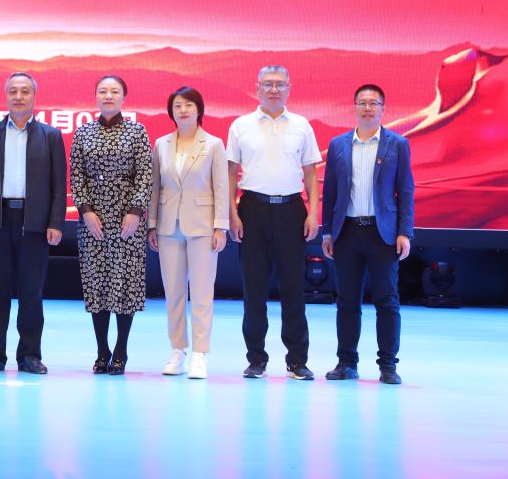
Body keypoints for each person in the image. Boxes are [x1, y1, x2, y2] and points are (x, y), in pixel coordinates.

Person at [227, 65, 321, 380]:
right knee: (254, 290)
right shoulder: (241, 126)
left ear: (289, 88)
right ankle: (256, 359)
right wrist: (232, 214)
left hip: (291, 211)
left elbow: (311, 173)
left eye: (280, 84)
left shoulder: (301, 125)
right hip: (251, 209)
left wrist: (313, 213)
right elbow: (230, 174)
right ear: (257, 88)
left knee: (293, 288)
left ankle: (297, 361)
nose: (274, 90)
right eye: (268, 84)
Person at [0, 72, 67, 375]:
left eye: (25, 91)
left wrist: (55, 222)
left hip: (34, 223)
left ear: (34, 96)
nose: (18, 96)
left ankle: (29, 355)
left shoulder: (50, 135)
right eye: (13, 91)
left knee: (31, 293)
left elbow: (58, 184)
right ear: (6, 96)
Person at [322, 84, 414, 385]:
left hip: (382, 234)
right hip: (347, 232)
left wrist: (405, 232)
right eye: (362, 102)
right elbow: (330, 192)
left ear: (383, 110)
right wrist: (327, 233)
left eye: (374, 103)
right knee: (347, 300)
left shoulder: (397, 144)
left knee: (387, 300)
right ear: (353, 108)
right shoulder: (338, 145)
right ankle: (346, 363)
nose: (367, 108)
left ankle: (388, 365)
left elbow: (406, 190)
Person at [70, 75, 151, 375]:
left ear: (123, 97)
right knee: (98, 283)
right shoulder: (83, 132)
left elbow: (145, 174)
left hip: (128, 218)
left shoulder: (137, 131)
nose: (108, 96)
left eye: (114, 91)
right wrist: (86, 211)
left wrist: (135, 211)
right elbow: (76, 174)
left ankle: (121, 350)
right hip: (93, 219)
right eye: (102, 91)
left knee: (125, 282)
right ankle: (102, 350)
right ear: (95, 96)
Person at [147, 87, 229, 379]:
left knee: (202, 292)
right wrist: (152, 223)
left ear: (199, 109)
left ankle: (200, 353)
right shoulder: (161, 144)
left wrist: (221, 226)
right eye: (177, 106)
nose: (183, 110)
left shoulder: (214, 144)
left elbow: (221, 187)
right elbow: (155, 187)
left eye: (188, 105)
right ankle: (178, 350)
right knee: (173, 292)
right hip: (168, 225)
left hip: (203, 226)